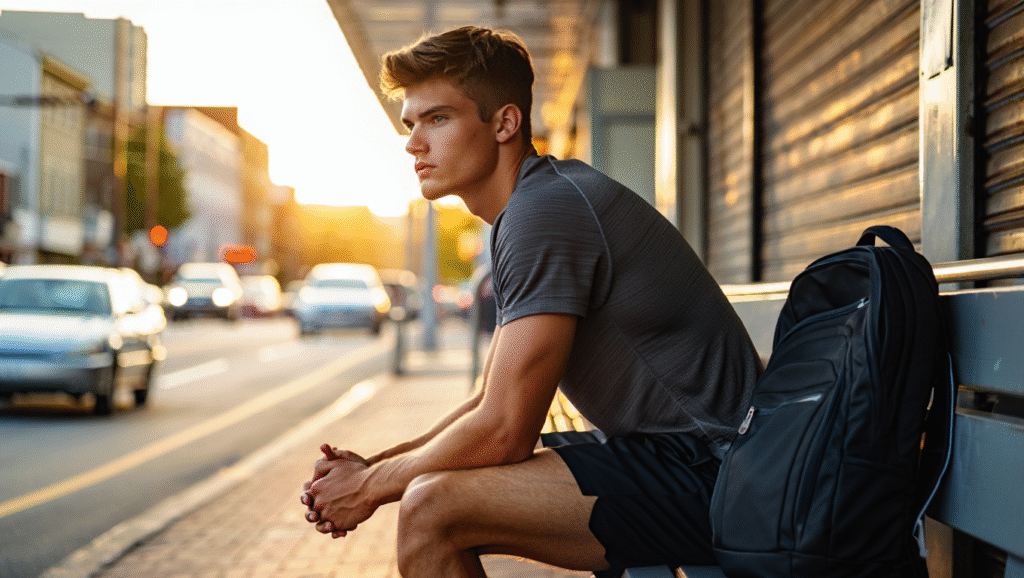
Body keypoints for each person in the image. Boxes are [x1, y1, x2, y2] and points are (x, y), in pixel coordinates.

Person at [301, 25, 762, 578]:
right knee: (432, 488)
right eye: (411, 124)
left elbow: (505, 430)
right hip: (682, 458)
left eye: (438, 119)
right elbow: (486, 403)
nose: (414, 143)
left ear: (505, 123)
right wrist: (373, 466)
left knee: (431, 509)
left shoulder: (544, 213)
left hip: (728, 473)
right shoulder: (529, 209)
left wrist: (371, 488)